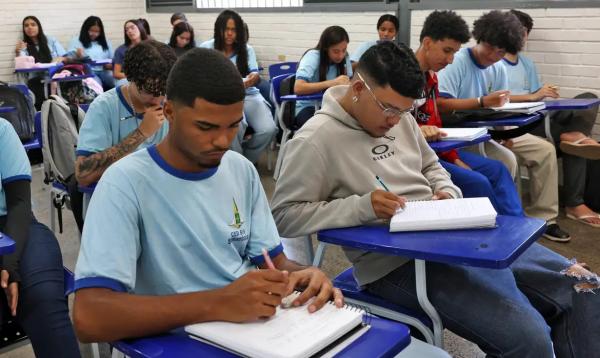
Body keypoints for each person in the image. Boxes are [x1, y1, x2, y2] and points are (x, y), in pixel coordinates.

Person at [271, 41, 600, 358]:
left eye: (405, 111)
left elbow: (431, 164)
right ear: (358, 89)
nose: (394, 121)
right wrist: (362, 206)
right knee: (529, 340)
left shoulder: (399, 116)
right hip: (398, 264)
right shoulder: (314, 141)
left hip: (452, 234)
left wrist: (448, 192)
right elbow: (286, 216)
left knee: (585, 286)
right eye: (388, 109)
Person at [73, 48, 342, 343]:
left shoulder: (240, 170)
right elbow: (90, 317)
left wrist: (303, 274)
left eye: (233, 125)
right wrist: (220, 302)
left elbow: (273, 262)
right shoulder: (124, 183)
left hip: (253, 331)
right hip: (177, 339)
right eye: (205, 127)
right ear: (170, 113)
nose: (223, 141)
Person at [436, 10, 570, 242]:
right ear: (480, 38)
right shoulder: (457, 62)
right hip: (459, 135)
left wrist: (505, 131)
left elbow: (499, 108)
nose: (493, 55)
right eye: (490, 47)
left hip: (487, 133)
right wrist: (481, 102)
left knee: (538, 151)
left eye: (501, 52)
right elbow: (442, 105)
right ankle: (501, 222)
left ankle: (537, 221)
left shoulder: (497, 67)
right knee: (503, 162)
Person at [413, 10, 523, 216]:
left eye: (453, 52)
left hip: (437, 150)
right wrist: (420, 130)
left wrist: (455, 159)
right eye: (446, 51)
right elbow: (396, 126)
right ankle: (496, 234)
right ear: (427, 43)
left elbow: (436, 128)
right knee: (477, 181)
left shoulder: (431, 79)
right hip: (416, 157)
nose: (450, 59)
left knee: (499, 169)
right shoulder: (402, 75)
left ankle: (517, 227)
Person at [503, 9, 600, 228]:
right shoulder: (494, 62)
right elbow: (496, 101)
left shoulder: (526, 63)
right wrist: (533, 96)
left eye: (525, 32)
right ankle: (575, 204)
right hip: (518, 121)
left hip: (539, 113)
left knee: (588, 98)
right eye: (517, 31)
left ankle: (574, 135)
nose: (522, 36)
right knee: (573, 145)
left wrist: (544, 93)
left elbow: (535, 96)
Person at [0, 117, 80, 357]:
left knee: (42, 296)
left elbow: (19, 203)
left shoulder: (2, 129)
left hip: (15, 226)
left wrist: (9, 264)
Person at [75, 40, 177, 187]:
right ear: (131, 77)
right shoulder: (104, 107)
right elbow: (83, 174)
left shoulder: (171, 104)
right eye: (150, 91)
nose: (158, 99)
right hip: (116, 194)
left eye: (163, 91)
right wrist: (141, 133)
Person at [200, 10, 276, 164]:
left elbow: (254, 75)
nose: (229, 34)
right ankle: (236, 164)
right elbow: (200, 77)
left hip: (248, 94)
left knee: (269, 129)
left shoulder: (247, 49)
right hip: (223, 98)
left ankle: (244, 161)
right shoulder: (206, 48)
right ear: (218, 30)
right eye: (226, 29)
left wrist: (253, 79)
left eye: (234, 30)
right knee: (237, 125)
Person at [294, 26, 353, 128]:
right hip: (308, 107)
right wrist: (332, 83)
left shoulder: (345, 58)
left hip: (332, 107)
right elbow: (298, 88)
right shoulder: (313, 56)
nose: (341, 55)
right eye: (336, 51)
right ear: (326, 48)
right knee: (324, 130)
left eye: (344, 50)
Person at [16, 16, 67, 109]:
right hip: (36, 79)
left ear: (38, 26)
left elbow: (64, 56)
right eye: (26, 25)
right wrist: (19, 51)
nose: (30, 27)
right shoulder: (24, 45)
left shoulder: (50, 40)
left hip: (54, 76)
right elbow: (22, 65)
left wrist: (60, 58)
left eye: (33, 25)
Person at [68, 15, 114, 90]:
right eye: (91, 31)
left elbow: (113, 59)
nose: (94, 34)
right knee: (96, 85)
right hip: (88, 72)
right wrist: (77, 57)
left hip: (104, 70)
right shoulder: (76, 41)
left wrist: (110, 65)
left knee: (114, 79)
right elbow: (67, 60)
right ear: (85, 29)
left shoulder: (106, 42)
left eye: (97, 32)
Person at [113, 19, 148, 87]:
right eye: (127, 29)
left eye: (132, 27)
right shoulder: (120, 50)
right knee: (120, 84)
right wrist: (135, 77)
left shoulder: (151, 46)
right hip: (128, 79)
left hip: (148, 78)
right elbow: (116, 73)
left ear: (140, 28)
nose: (129, 31)